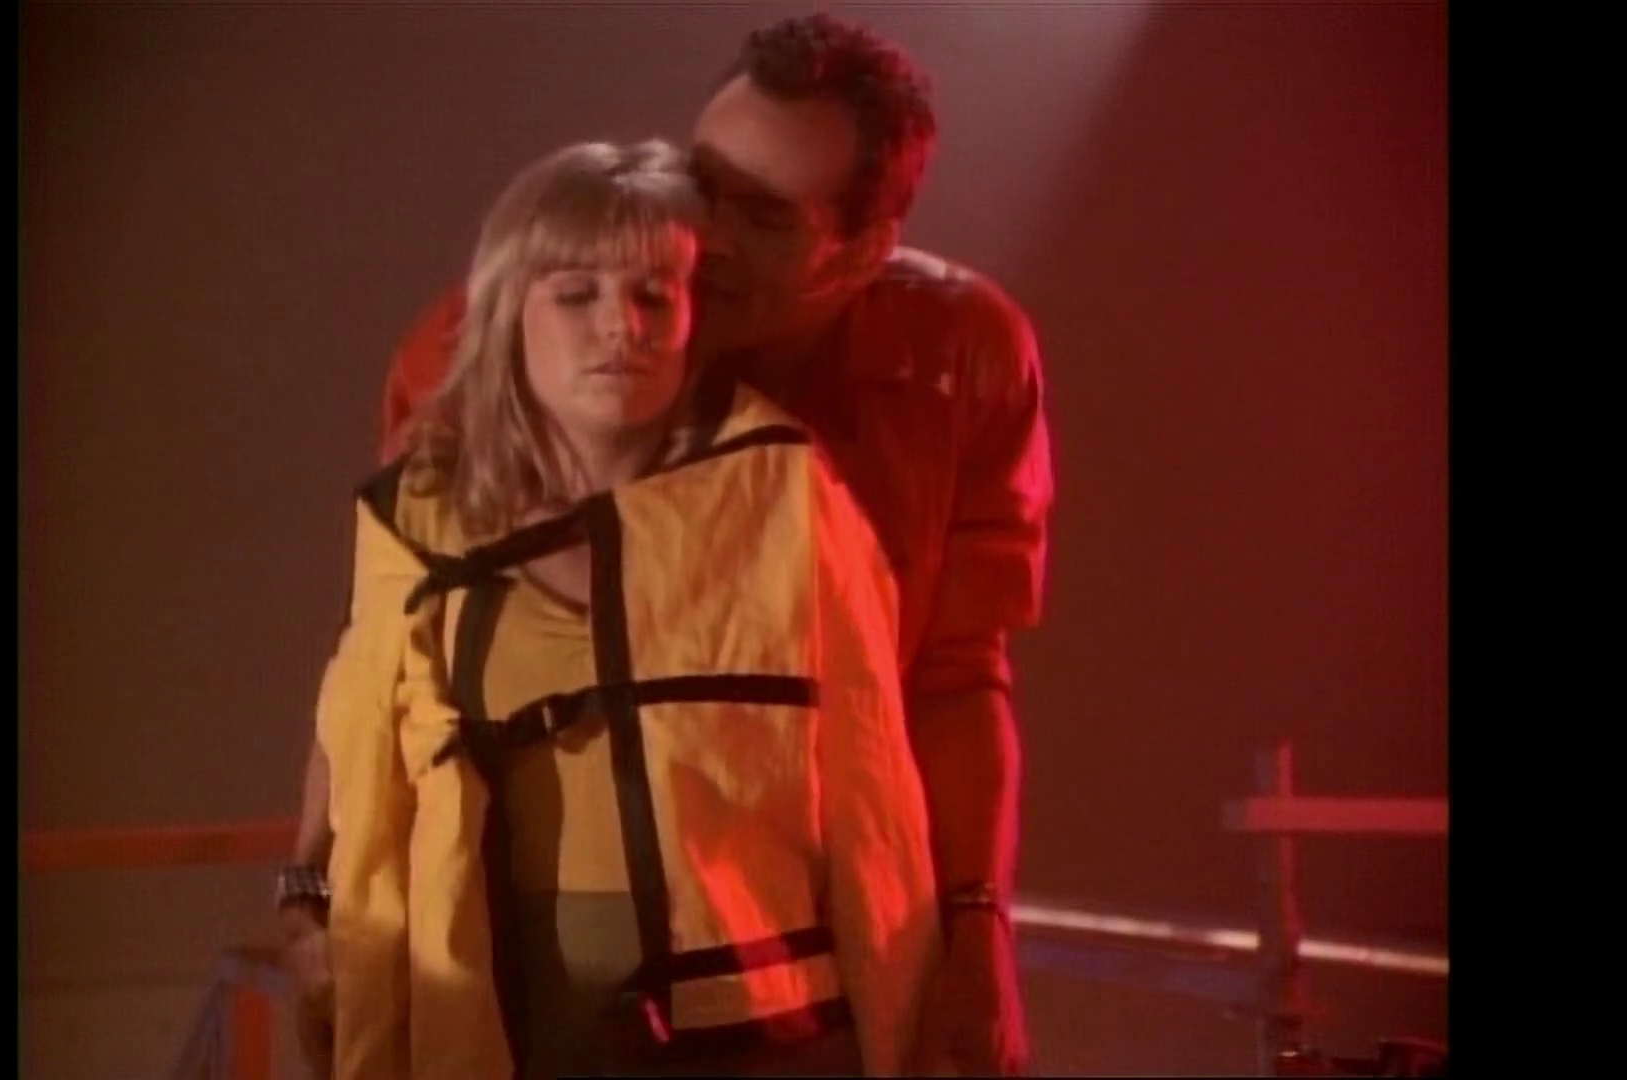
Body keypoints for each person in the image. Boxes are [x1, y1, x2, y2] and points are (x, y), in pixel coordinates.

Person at [281, 13, 1053, 1076]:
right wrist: (312, 898)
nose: (709, 237)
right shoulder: (500, 345)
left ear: (863, 248)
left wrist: (975, 929)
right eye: (704, 183)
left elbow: (959, 677)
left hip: (786, 980)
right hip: (525, 982)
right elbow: (376, 668)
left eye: (764, 216)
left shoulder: (957, 356)